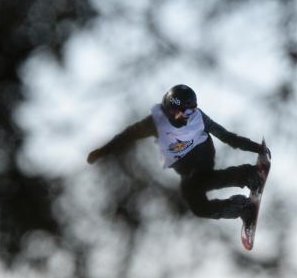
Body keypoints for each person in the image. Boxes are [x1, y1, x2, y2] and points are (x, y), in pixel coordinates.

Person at [87, 84, 270, 224]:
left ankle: (247, 176)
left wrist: (256, 148)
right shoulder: (155, 122)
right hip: (183, 167)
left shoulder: (200, 119)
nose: (179, 117)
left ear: (194, 110)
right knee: (197, 205)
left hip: (201, 156)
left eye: (186, 112)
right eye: (174, 112)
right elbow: (127, 136)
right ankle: (239, 207)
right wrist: (102, 152)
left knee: (200, 181)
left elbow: (227, 137)